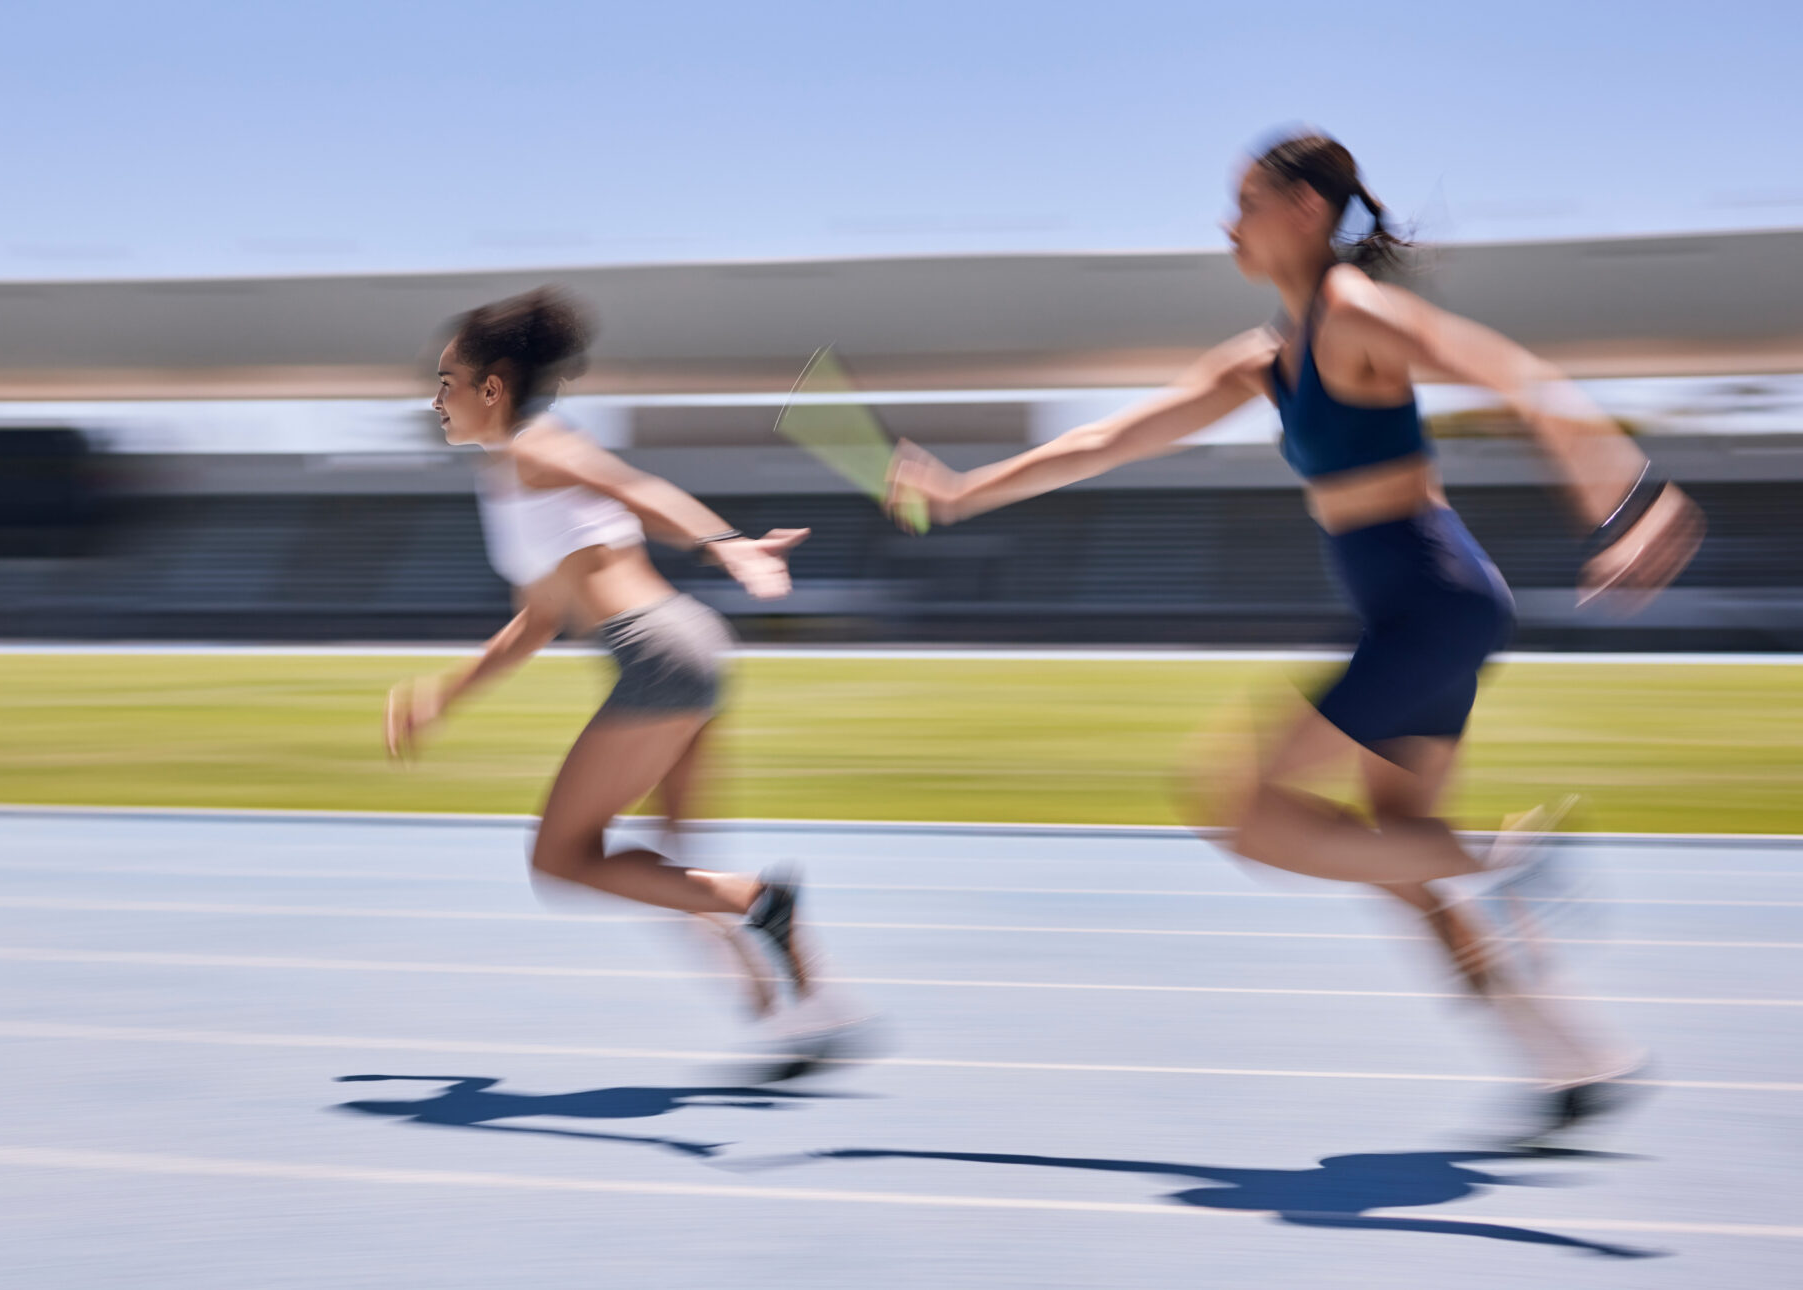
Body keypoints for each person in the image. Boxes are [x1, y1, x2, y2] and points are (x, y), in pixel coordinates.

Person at [886, 131, 1703, 1140]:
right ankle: (1570, 1059)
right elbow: (1110, 438)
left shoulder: (1355, 312)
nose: (1226, 224)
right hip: (1419, 609)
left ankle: (1511, 857)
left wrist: (1632, 500)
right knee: (1397, 861)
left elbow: (1514, 375)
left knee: (1238, 808)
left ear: (1306, 211)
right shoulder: (1267, 358)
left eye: (1245, 203)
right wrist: (963, 492)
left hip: (1430, 604)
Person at [386, 286, 865, 1078]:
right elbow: (539, 620)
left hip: (656, 655)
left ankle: (762, 906)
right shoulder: (511, 479)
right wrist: (445, 696)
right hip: (689, 645)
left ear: (491, 388)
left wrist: (728, 545)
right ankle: (812, 1010)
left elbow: (634, 487)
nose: (435, 400)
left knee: (562, 857)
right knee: (672, 867)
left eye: (446, 383)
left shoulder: (538, 448)